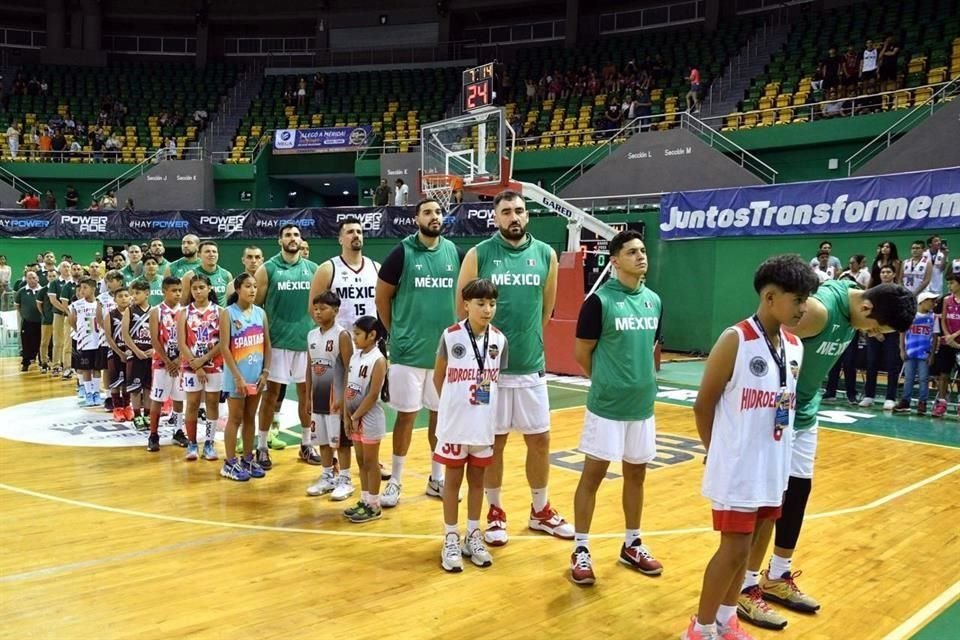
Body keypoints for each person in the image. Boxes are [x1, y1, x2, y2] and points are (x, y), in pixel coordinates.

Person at [738, 278, 916, 629]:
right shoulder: (819, 312)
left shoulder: (854, 306)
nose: (875, 334)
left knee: (797, 495)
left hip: (805, 413)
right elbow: (756, 343)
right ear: (866, 308)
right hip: (776, 415)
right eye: (877, 327)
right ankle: (744, 587)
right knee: (769, 501)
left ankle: (777, 575)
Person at [681, 255, 816, 640]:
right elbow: (703, 403)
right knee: (733, 550)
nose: (804, 307)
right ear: (771, 297)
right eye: (798, 299)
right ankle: (700, 627)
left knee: (750, 548)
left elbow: (783, 406)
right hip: (737, 467)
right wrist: (716, 452)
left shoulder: (794, 346)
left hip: (773, 465)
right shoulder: (736, 339)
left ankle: (726, 620)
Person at [456, 190, 571, 546]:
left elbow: (546, 309)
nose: (513, 217)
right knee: (494, 444)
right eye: (506, 212)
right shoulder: (479, 254)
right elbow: (463, 311)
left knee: (540, 440)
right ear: (496, 218)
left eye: (519, 211)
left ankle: (540, 511)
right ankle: (495, 512)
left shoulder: (546, 255)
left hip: (531, 367)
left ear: (528, 216)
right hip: (490, 372)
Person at [569, 230, 663, 586]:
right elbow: (582, 353)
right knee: (593, 475)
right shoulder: (598, 302)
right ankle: (580, 548)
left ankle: (632, 542)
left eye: (643, 251)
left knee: (636, 475)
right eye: (632, 252)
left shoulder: (654, 300)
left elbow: (652, 347)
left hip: (642, 407)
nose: (641, 257)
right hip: (607, 406)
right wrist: (608, 381)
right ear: (614, 260)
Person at [375, 199, 462, 507]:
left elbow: (466, 295)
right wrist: (396, 333)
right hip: (408, 354)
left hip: (443, 355)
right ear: (416, 219)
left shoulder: (454, 252)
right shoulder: (402, 253)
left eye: (438, 212)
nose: (434, 216)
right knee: (407, 416)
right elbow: (382, 298)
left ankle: (436, 478)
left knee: (441, 417)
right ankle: (396, 480)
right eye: (427, 212)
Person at [435, 278, 506, 573]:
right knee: (452, 482)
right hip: (454, 425)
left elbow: (494, 380)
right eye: (480, 304)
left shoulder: (499, 339)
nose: (487, 309)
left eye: (491, 303)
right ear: (466, 305)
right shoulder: (450, 336)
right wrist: (455, 405)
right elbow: (439, 379)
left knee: (478, 482)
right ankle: (450, 536)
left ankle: (473, 534)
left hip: (482, 426)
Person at [254, 224, 318, 468]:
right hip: (277, 343)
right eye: (288, 235)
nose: (293, 239)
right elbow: (257, 308)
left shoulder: (312, 269)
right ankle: (261, 446)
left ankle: (306, 444)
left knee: (306, 397)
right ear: (279, 240)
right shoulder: (267, 269)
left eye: (297, 235)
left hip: (305, 343)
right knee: (270, 397)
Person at [219, 273, 270, 482]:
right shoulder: (228, 313)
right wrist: (238, 377)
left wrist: (266, 372)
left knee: (250, 417)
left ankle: (248, 457)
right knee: (235, 418)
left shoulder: (261, 313)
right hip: (236, 376)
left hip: (256, 375)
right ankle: (230, 462)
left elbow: (267, 344)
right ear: (238, 290)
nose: (252, 290)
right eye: (248, 286)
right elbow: (224, 347)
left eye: (255, 286)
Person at [305, 292, 355, 500]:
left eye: (323, 308)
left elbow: (350, 368)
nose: (318, 312)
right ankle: (327, 476)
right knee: (323, 440)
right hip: (318, 397)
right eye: (315, 308)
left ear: (335, 311)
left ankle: (345, 479)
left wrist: (345, 399)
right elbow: (309, 367)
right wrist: (308, 396)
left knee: (341, 442)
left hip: (337, 399)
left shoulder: (342, 335)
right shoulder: (311, 335)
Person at [342, 316, 388, 524]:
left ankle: (374, 504)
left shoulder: (378, 360)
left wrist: (355, 416)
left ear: (372, 336)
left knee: (371, 462)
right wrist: (345, 414)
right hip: (353, 417)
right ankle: (364, 499)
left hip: (369, 417)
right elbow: (348, 386)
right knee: (360, 461)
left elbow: (372, 394)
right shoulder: (355, 356)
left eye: (358, 334)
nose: (354, 338)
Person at [177, 274, 223, 462]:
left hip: (215, 365)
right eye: (194, 288)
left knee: (212, 403)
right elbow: (182, 343)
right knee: (193, 404)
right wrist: (196, 366)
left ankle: (210, 443)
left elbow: (223, 341)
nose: (198, 291)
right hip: (191, 366)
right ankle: (192, 443)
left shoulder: (220, 312)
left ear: (209, 288)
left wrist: (204, 359)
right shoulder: (184, 312)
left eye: (201, 287)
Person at [147, 277, 189, 452]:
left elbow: (188, 338)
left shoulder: (186, 311)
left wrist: (179, 360)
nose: (178, 294)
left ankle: (178, 430)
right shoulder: (156, 311)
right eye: (174, 290)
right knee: (157, 398)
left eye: (180, 290)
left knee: (179, 399)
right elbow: (155, 340)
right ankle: (153, 434)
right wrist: (167, 361)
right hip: (161, 363)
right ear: (164, 291)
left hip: (180, 363)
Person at [895, 291, 939, 415]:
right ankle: (905, 401)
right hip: (910, 353)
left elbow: (935, 337)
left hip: (924, 353)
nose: (933, 303)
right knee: (908, 378)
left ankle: (922, 403)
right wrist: (902, 350)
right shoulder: (910, 316)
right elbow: (902, 333)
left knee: (924, 379)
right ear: (922, 301)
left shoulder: (933, 317)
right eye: (930, 301)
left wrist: (932, 354)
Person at [69, 277, 106, 407]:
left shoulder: (100, 303)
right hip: (84, 343)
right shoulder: (76, 304)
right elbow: (71, 321)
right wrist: (80, 332)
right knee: (85, 369)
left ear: (93, 288)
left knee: (97, 369)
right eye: (81, 288)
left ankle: (96, 392)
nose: (82, 290)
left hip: (98, 341)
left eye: (85, 287)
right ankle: (89, 393)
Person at [123, 280, 155, 428]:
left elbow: (160, 334)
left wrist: (155, 350)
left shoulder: (155, 311)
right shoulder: (129, 311)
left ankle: (148, 414)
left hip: (150, 354)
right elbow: (125, 335)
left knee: (149, 387)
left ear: (147, 293)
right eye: (132, 293)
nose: (134, 296)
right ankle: (137, 415)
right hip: (136, 354)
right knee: (135, 387)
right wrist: (137, 351)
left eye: (137, 293)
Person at [931, 272, 960, 418]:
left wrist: (954, 337)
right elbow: (943, 320)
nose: (949, 286)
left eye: (952, 283)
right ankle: (942, 402)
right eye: (948, 283)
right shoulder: (947, 300)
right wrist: (948, 335)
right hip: (947, 341)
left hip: (958, 342)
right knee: (943, 373)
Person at [105, 285, 133, 422]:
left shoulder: (134, 314)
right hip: (115, 352)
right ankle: (117, 408)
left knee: (128, 382)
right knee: (116, 382)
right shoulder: (111, 315)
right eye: (120, 296)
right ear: (114, 299)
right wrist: (119, 352)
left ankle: (127, 406)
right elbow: (108, 337)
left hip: (130, 352)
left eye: (126, 296)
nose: (123, 299)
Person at [14, 271, 43, 372]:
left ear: (37, 279)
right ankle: (25, 363)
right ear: (26, 279)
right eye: (29, 278)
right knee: (26, 342)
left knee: (41, 342)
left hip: (41, 321)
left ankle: (42, 362)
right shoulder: (22, 291)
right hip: (27, 322)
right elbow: (17, 304)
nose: (32, 280)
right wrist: (24, 314)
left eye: (34, 278)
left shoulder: (42, 291)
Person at [37, 269, 57, 373]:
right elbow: (39, 304)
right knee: (44, 342)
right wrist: (44, 314)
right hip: (47, 320)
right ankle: (44, 362)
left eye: (54, 276)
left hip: (58, 319)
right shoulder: (43, 290)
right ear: (47, 277)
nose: (52, 278)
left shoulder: (59, 289)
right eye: (50, 276)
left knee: (58, 342)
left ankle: (57, 362)